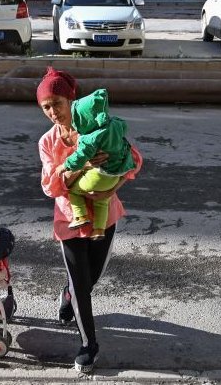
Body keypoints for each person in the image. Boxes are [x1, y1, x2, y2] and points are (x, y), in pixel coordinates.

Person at [36, 67, 142, 374]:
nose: (53, 111)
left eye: (57, 102)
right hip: (68, 221)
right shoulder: (47, 142)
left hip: (105, 216)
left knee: (89, 280)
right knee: (82, 283)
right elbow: (50, 185)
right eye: (46, 107)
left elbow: (133, 160)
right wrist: (82, 169)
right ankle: (88, 345)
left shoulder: (99, 126)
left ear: (71, 99)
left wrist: (113, 184)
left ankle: (67, 293)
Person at [55, 88, 135, 240]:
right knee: (102, 201)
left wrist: (63, 166)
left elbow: (79, 158)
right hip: (116, 175)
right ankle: (99, 230)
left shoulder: (89, 138)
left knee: (73, 191)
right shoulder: (115, 124)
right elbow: (124, 127)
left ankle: (80, 216)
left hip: (98, 175)